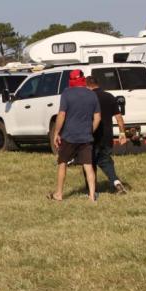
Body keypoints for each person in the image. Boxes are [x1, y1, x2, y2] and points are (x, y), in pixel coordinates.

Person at [49, 69, 101, 202]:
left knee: (62, 163)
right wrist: (90, 130)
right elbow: (98, 117)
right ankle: (91, 196)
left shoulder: (66, 93)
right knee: (88, 166)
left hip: (69, 136)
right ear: (83, 79)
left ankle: (59, 194)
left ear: (71, 81)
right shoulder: (92, 95)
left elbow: (62, 114)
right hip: (86, 136)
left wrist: (56, 133)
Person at [85, 75, 128, 194]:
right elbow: (119, 117)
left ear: (87, 85)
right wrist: (122, 132)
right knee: (105, 160)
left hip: (92, 134)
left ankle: (91, 189)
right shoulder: (109, 96)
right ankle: (115, 182)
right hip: (107, 135)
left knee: (89, 161)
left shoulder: (88, 97)